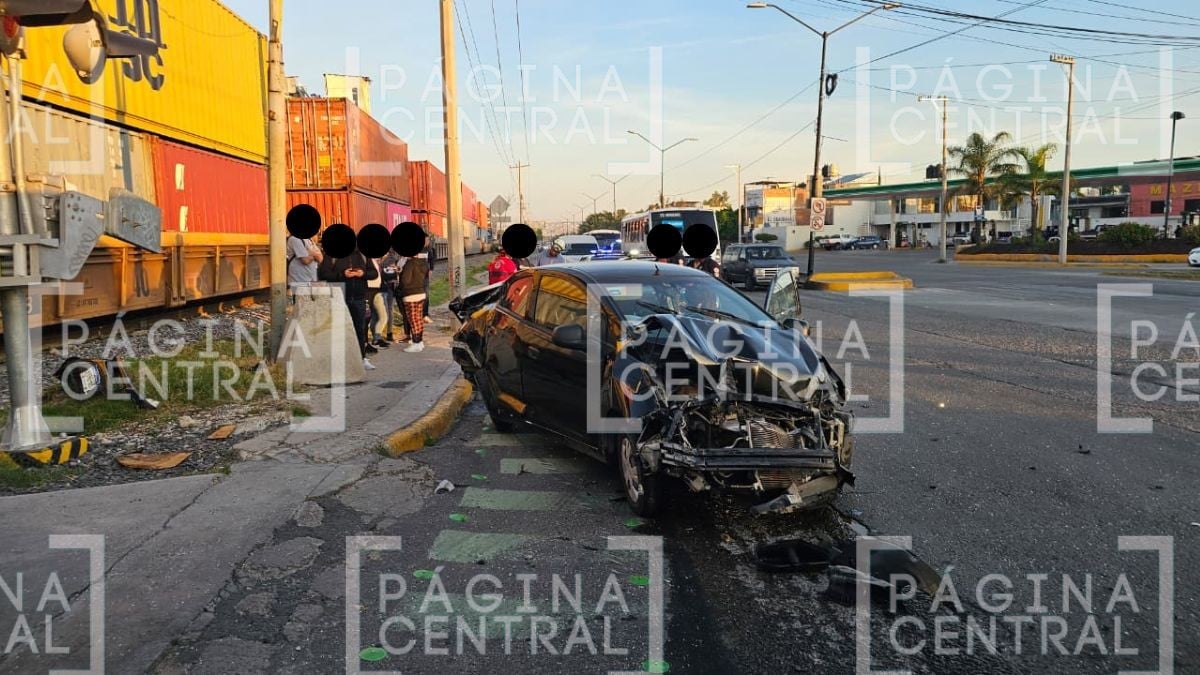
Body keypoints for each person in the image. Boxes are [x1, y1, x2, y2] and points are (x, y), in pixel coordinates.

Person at [319, 248, 378, 370]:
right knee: (338, 330)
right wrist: (342, 275)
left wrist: (362, 273)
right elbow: (323, 274)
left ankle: (361, 358)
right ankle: (338, 361)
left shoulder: (362, 254)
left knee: (360, 329)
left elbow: (374, 273)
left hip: (359, 298)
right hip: (338, 297)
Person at [398, 253, 430, 353]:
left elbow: (405, 280)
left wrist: (400, 274)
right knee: (419, 319)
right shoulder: (424, 263)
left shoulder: (410, 263)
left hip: (410, 294)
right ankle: (420, 341)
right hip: (421, 292)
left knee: (413, 319)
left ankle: (416, 342)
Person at [380, 251, 407, 343]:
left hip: (388, 287)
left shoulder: (392, 258)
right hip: (377, 288)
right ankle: (379, 334)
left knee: (388, 310)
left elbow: (395, 271)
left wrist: (398, 269)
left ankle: (389, 333)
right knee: (381, 311)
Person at [366, 258, 390, 351]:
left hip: (377, 289)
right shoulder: (367, 260)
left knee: (377, 316)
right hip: (371, 290)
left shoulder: (374, 261)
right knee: (382, 316)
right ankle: (376, 338)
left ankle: (376, 338)